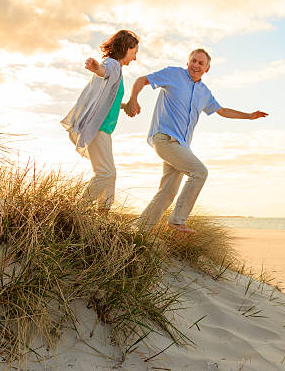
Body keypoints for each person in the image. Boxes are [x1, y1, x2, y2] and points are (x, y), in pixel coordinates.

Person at [126, 48, 267, 233]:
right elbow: (142, 80)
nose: (196, 65)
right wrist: (133, 99)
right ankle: (177, 220)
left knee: (168, 193)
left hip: (181, 146)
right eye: (193, 61)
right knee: (199, 172)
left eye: (201, 63)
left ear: (207, 69)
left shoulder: (204, 93)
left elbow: (222, 111)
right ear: (187, 62)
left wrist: (248, 116)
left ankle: (138, 231)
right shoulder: (173, 74)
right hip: (164, 138)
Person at [61, 30, 139, 213]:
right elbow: (104, 71)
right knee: (106, 173)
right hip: (98, 129)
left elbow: (109, 99)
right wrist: (97, 69)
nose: (135, 58)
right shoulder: (112, 65)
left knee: (109, 175)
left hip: (104, 130)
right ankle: (75, 212)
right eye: (134, 52)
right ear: (127, 48)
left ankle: (102, 217)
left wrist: (126, 106)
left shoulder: (117, 70)